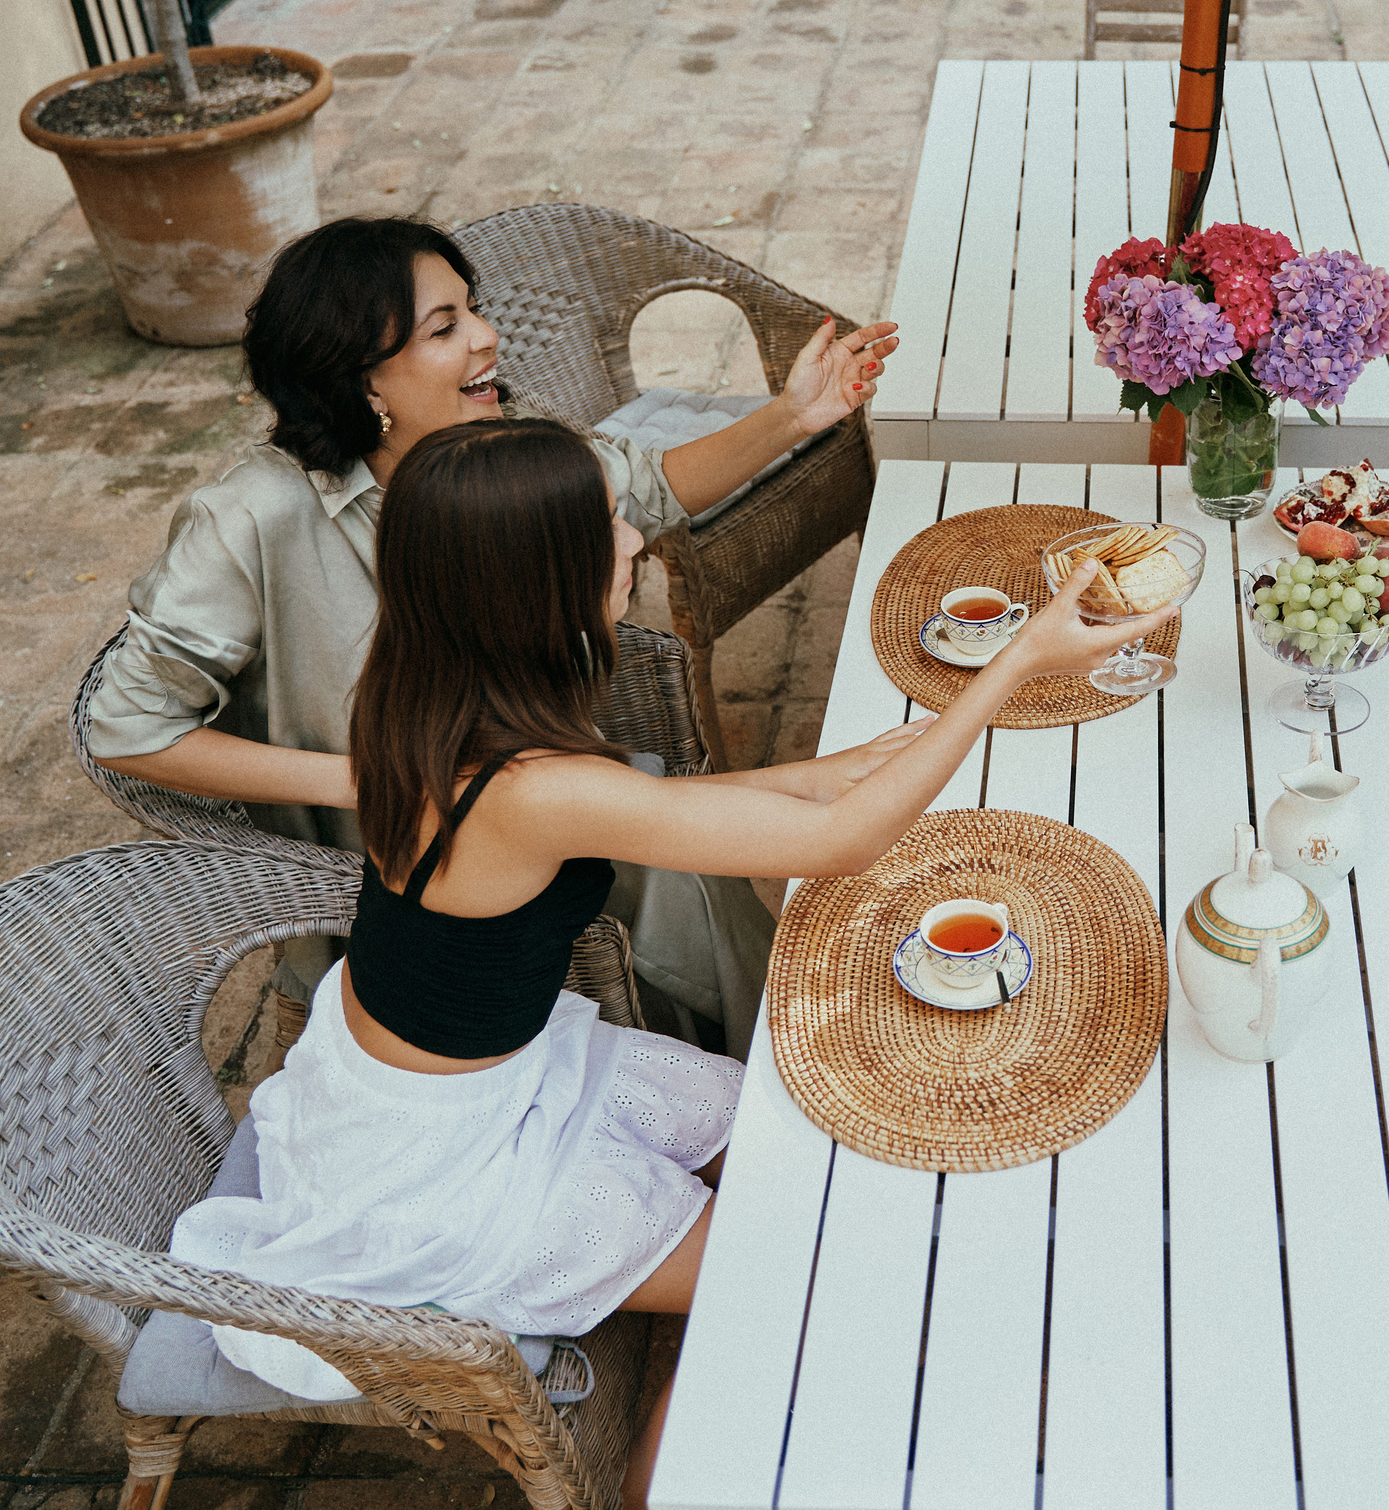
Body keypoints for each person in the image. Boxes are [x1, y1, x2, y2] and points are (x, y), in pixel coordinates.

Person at [165, 417, 1170, 1508]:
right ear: (539, 579)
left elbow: (637, 811)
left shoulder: (423, 688)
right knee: (798, 1273)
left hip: (433, 1080)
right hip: (444, 1176)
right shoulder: (528, 779)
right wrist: (1016, 664)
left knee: (798, 1139)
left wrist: (814, 770)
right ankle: (679, 1460)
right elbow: (836, 848)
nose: (634, 531)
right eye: (606, 523)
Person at [86, 216, 895, 1059]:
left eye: (473, 309)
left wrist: (795, 416)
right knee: (682, 845)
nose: (487, 338)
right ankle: (777, 1057)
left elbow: (641, 489)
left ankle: (771, 1048)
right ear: (365, 382)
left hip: (533, 782)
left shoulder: (489, 444)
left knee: (677, 836)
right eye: (446, 327)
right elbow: (130, 727)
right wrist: (388, 779)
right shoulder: (248, 519)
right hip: (401, 863)